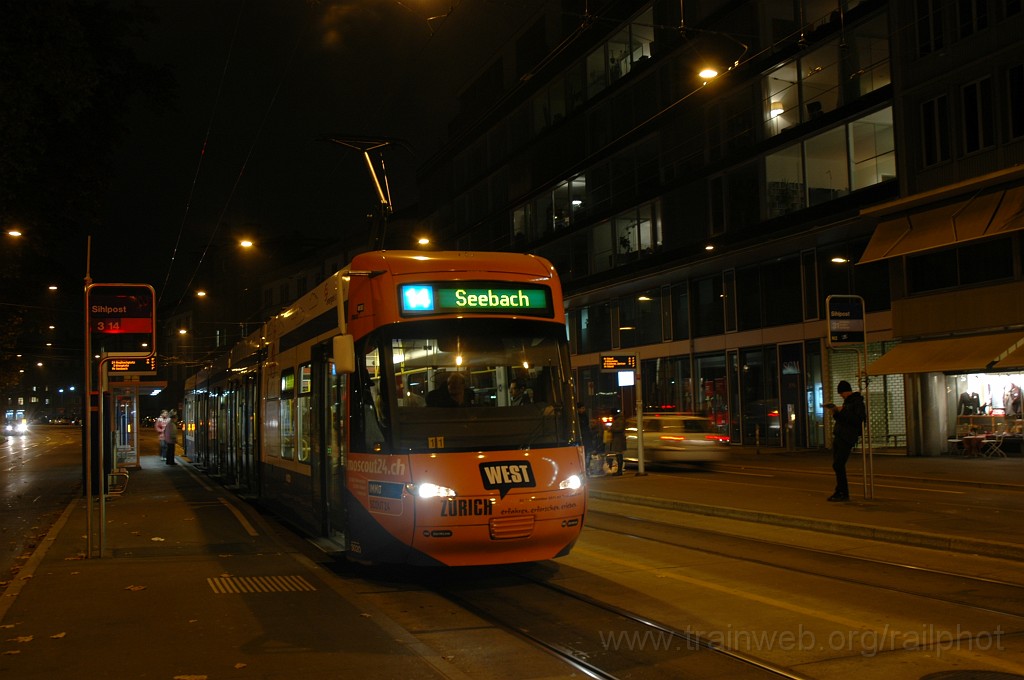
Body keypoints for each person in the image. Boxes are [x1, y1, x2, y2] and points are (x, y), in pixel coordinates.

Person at [826, 380, 866, 502]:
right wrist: (835, 412)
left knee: (838, 464)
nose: (841, 396)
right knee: (838, 465)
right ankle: (840, 491)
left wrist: (842, 411)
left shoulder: (857, 402)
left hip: (847, 437)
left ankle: (842, 492)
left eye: (841, 393)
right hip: (840, 435)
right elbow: (843, 419)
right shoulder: (848, 402)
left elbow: (858, 420)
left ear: (846, 392)